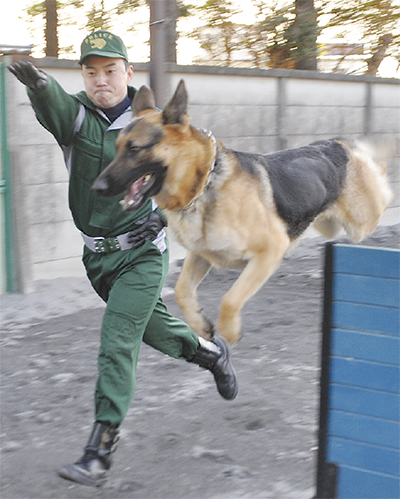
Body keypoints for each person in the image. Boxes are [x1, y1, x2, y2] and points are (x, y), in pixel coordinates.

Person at [8, 29, 238, 488]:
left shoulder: (154, 123)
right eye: (91, 72)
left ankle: (99, 450)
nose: (101, 80)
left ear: (128, 73)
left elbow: (192, 177)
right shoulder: (76, 118)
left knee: (118, 340)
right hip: (97, 260)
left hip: (142, 257)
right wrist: (38, 85)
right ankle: (211, 353)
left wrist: (171, 222)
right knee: (152, 329)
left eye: (110, 70)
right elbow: (54, 103)